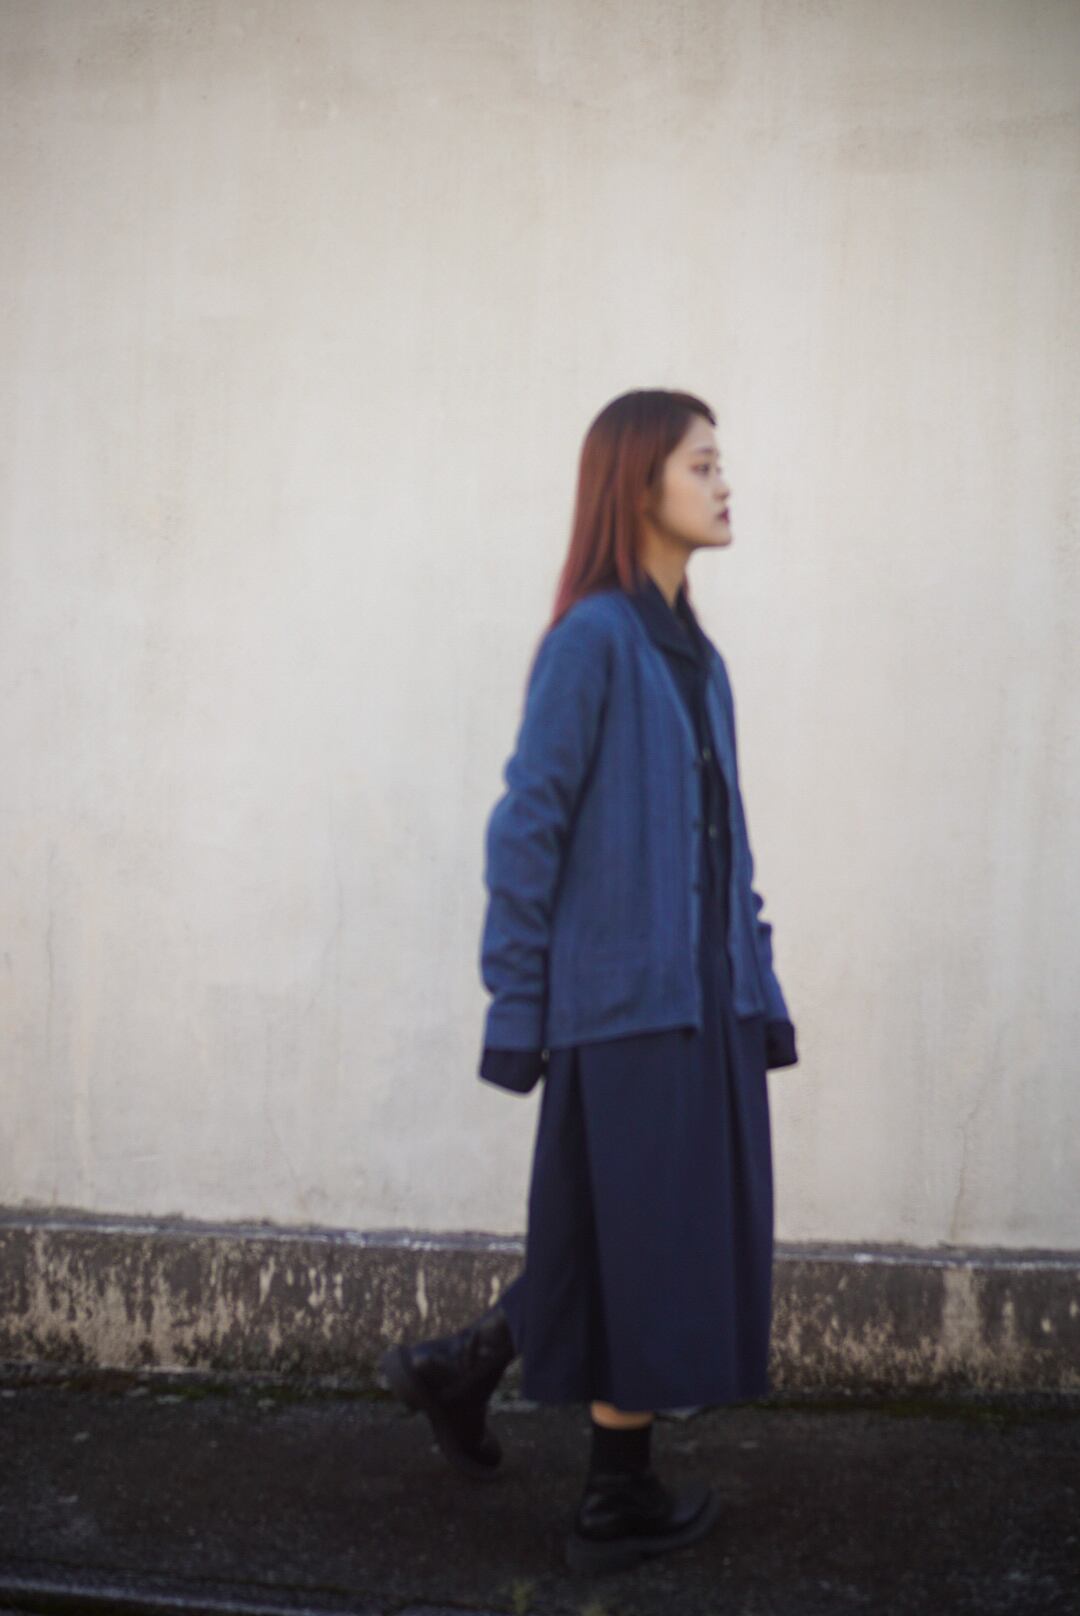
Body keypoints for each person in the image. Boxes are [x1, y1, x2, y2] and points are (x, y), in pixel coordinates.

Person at [379, 388, 799, 1576]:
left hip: (708, 1006)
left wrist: (761, 990)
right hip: (627, 1012)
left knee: (626, 1238)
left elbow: (729, 847)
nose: (725, 482)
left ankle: (459, 1369)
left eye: (721, 462)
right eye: (702, 464)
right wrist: (516, 1008)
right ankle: (616, 1498)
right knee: (645, 1248)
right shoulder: (594, 641)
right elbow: (528, 831)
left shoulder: (699, 660)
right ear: (638, 483)